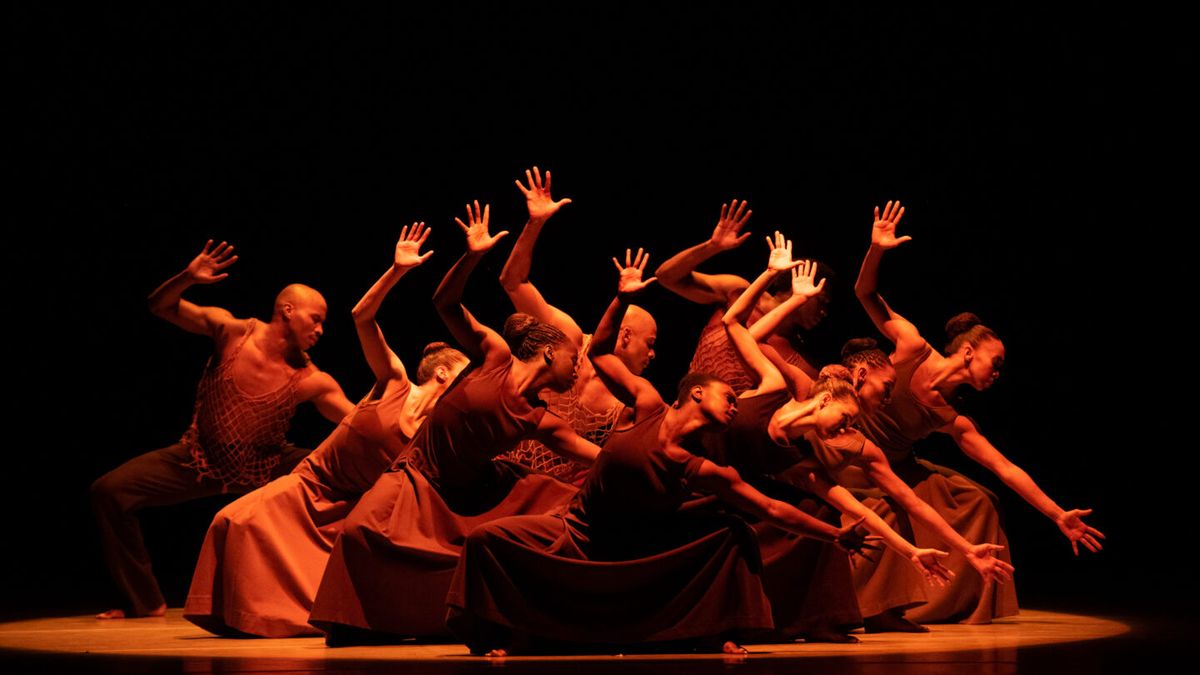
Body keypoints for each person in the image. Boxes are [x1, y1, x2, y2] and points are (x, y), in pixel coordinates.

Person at [446, 249, 873, 656]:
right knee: (486, 540)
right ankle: (504, 629)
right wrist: (621, 298)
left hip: (643, 545)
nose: (735, 405)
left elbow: (772, 509)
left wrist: (835, 535)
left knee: (733, 531)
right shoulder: (647, 403)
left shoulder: (701, 468)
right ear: (697, 392)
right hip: (578, 531)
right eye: (728, 397)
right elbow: (599, 351)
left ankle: (716, 628)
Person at [308, 201, 599, 644]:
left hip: (478, 492)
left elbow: (597, 456)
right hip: (419, 476)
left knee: (557, 511)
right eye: (574, 356)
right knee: (358, 532)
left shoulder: (540, 418)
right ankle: (365, 623)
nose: (579, 366)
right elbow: (444, 302)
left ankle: (503, 612)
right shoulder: (494, 355)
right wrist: (472, 256)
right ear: (548, 351)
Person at [183, 224, 470, 637]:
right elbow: (362, 316)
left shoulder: (435, 435)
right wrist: (397, 270)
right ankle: (238, 617)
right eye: (464, 375)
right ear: (442, 374)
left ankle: (296, 619)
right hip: (312, 484)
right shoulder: (394, 381)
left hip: (352, 510)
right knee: (234, 521)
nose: (469, 386)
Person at [847, 200, 1103, 626]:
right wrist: (876, 250)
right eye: (995, 362)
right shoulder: (911, 346)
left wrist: (1057, 514)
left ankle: (950, 603)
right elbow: (865, 294)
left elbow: (1005, 467)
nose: (998, 373)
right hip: (853, 453)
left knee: (980, 500)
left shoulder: (954, 417)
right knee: (899, 503)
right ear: (968, 352)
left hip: (895, 465)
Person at [91, 240, 354, 619]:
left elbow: (356, 420)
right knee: (109, 492)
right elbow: (160, 306)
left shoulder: (311, 378)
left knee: (346, 485)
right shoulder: (231, 332)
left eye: (322, 323)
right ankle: (145, 601)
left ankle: (331, 595)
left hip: (268, 465)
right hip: (197, 459)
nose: (320, 329)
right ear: (288, 310)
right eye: (316, 319)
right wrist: (187, 277)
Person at [498, 167, 657, 483]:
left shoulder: (625, 400)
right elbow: (513, 282)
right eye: (650, 343)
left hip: (548, 490)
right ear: (625, 336)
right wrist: (535, 223)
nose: (653, 355)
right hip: (500, 457)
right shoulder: (568, 339)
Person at [654, 200, 829, 391]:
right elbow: (666, 277)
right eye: (822, 301)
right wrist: (712, 246)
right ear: (800, 280)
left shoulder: (800, 357)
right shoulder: (739, 294)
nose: (824, 312)